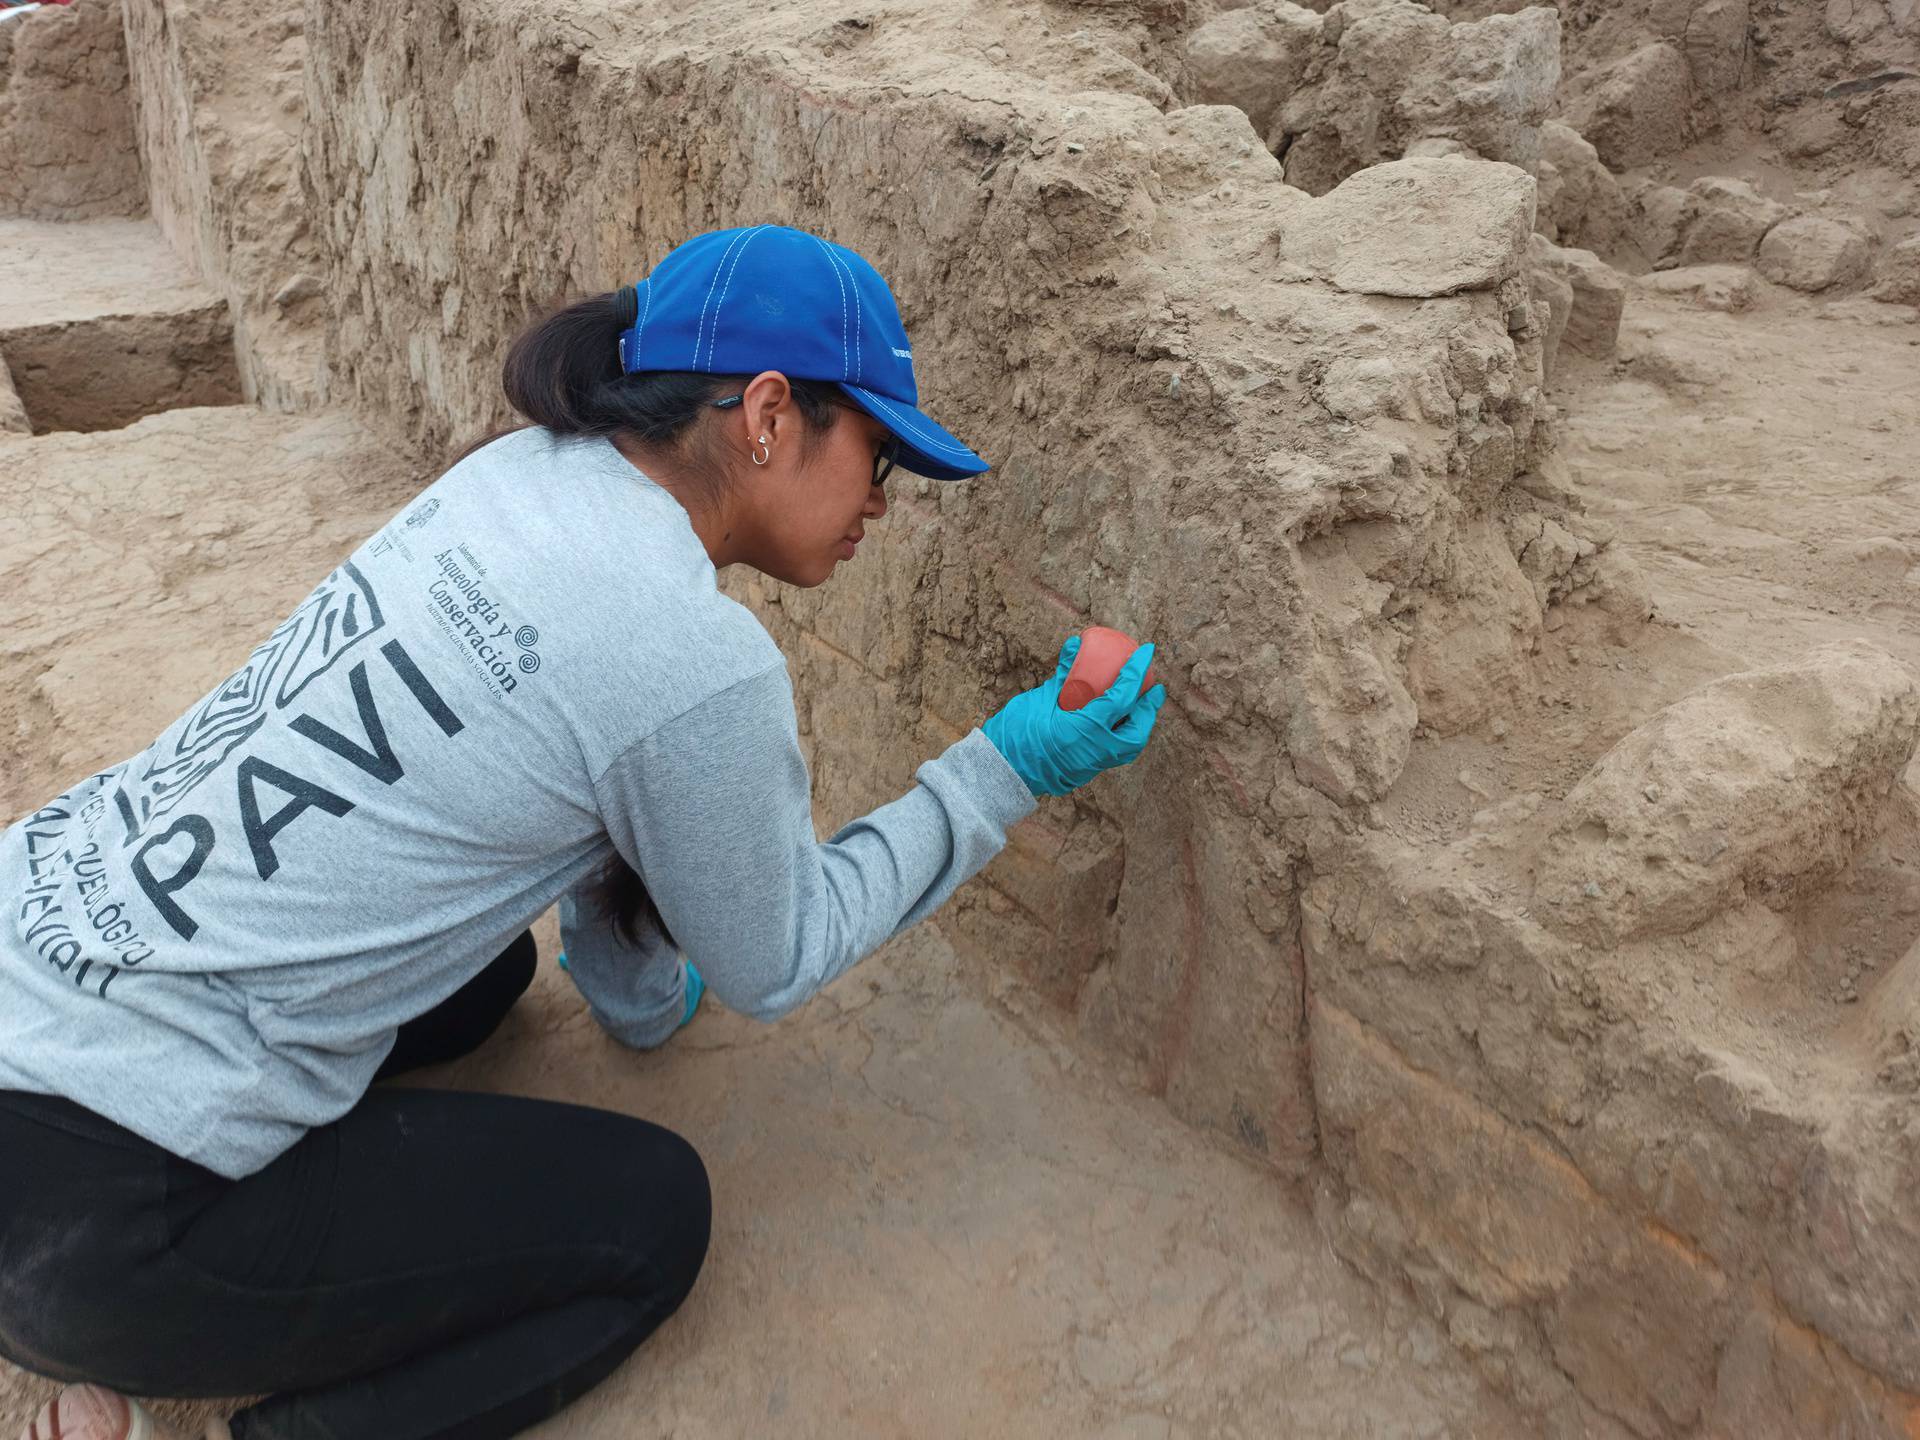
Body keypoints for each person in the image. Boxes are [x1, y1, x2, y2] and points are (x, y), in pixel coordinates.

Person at [1, 223, 1168, 1440]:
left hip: (26, 959)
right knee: (652, 1220)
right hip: (87, 1214)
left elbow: (590, 784)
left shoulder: (518, 478)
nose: (882, 501)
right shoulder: (689, 657)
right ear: (769, 416)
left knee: (486, 968)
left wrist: (637, 994)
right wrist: (1002, 770)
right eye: (877, 454)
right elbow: (778, 956)